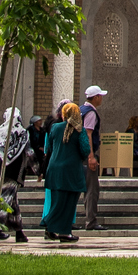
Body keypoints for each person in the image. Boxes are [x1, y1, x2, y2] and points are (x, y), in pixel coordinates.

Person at [42, 97, 90, 241]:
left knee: (57, 201)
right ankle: (62, 230)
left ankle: (51, 227)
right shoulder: (79, 129)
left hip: (54, 169)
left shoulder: (55, 127)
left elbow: (49, 146)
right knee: (69, 202)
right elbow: (85, 149)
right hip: (71, 170)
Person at [0, 108, 32, 243]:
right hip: (13, 174)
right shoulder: (22, 133)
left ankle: (19, 232)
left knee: (11, 203)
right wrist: (38, 169)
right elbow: (29, 153)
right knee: (4, 202)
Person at [79, 86, 109, 231]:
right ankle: (91, 221)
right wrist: (91, 156)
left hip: (77, 155)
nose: (101, 98)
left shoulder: (80, 110)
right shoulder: (90, 113)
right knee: (91, 189)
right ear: (96, 97)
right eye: (100, 96)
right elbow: (88, 134)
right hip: (86, 155)